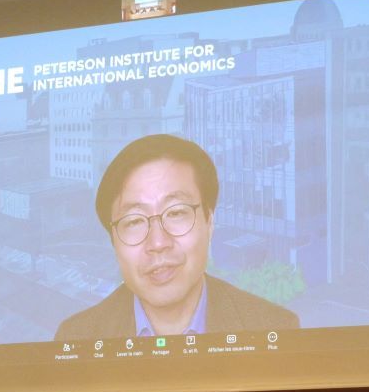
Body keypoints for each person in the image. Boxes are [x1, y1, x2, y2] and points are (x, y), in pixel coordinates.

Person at [55, 134, 298, 340]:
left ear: (209, 222)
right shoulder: (76, 338)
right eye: (134, 221)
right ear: (113, 242)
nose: (158, 243)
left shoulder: (276, 329)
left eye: (176, 213)